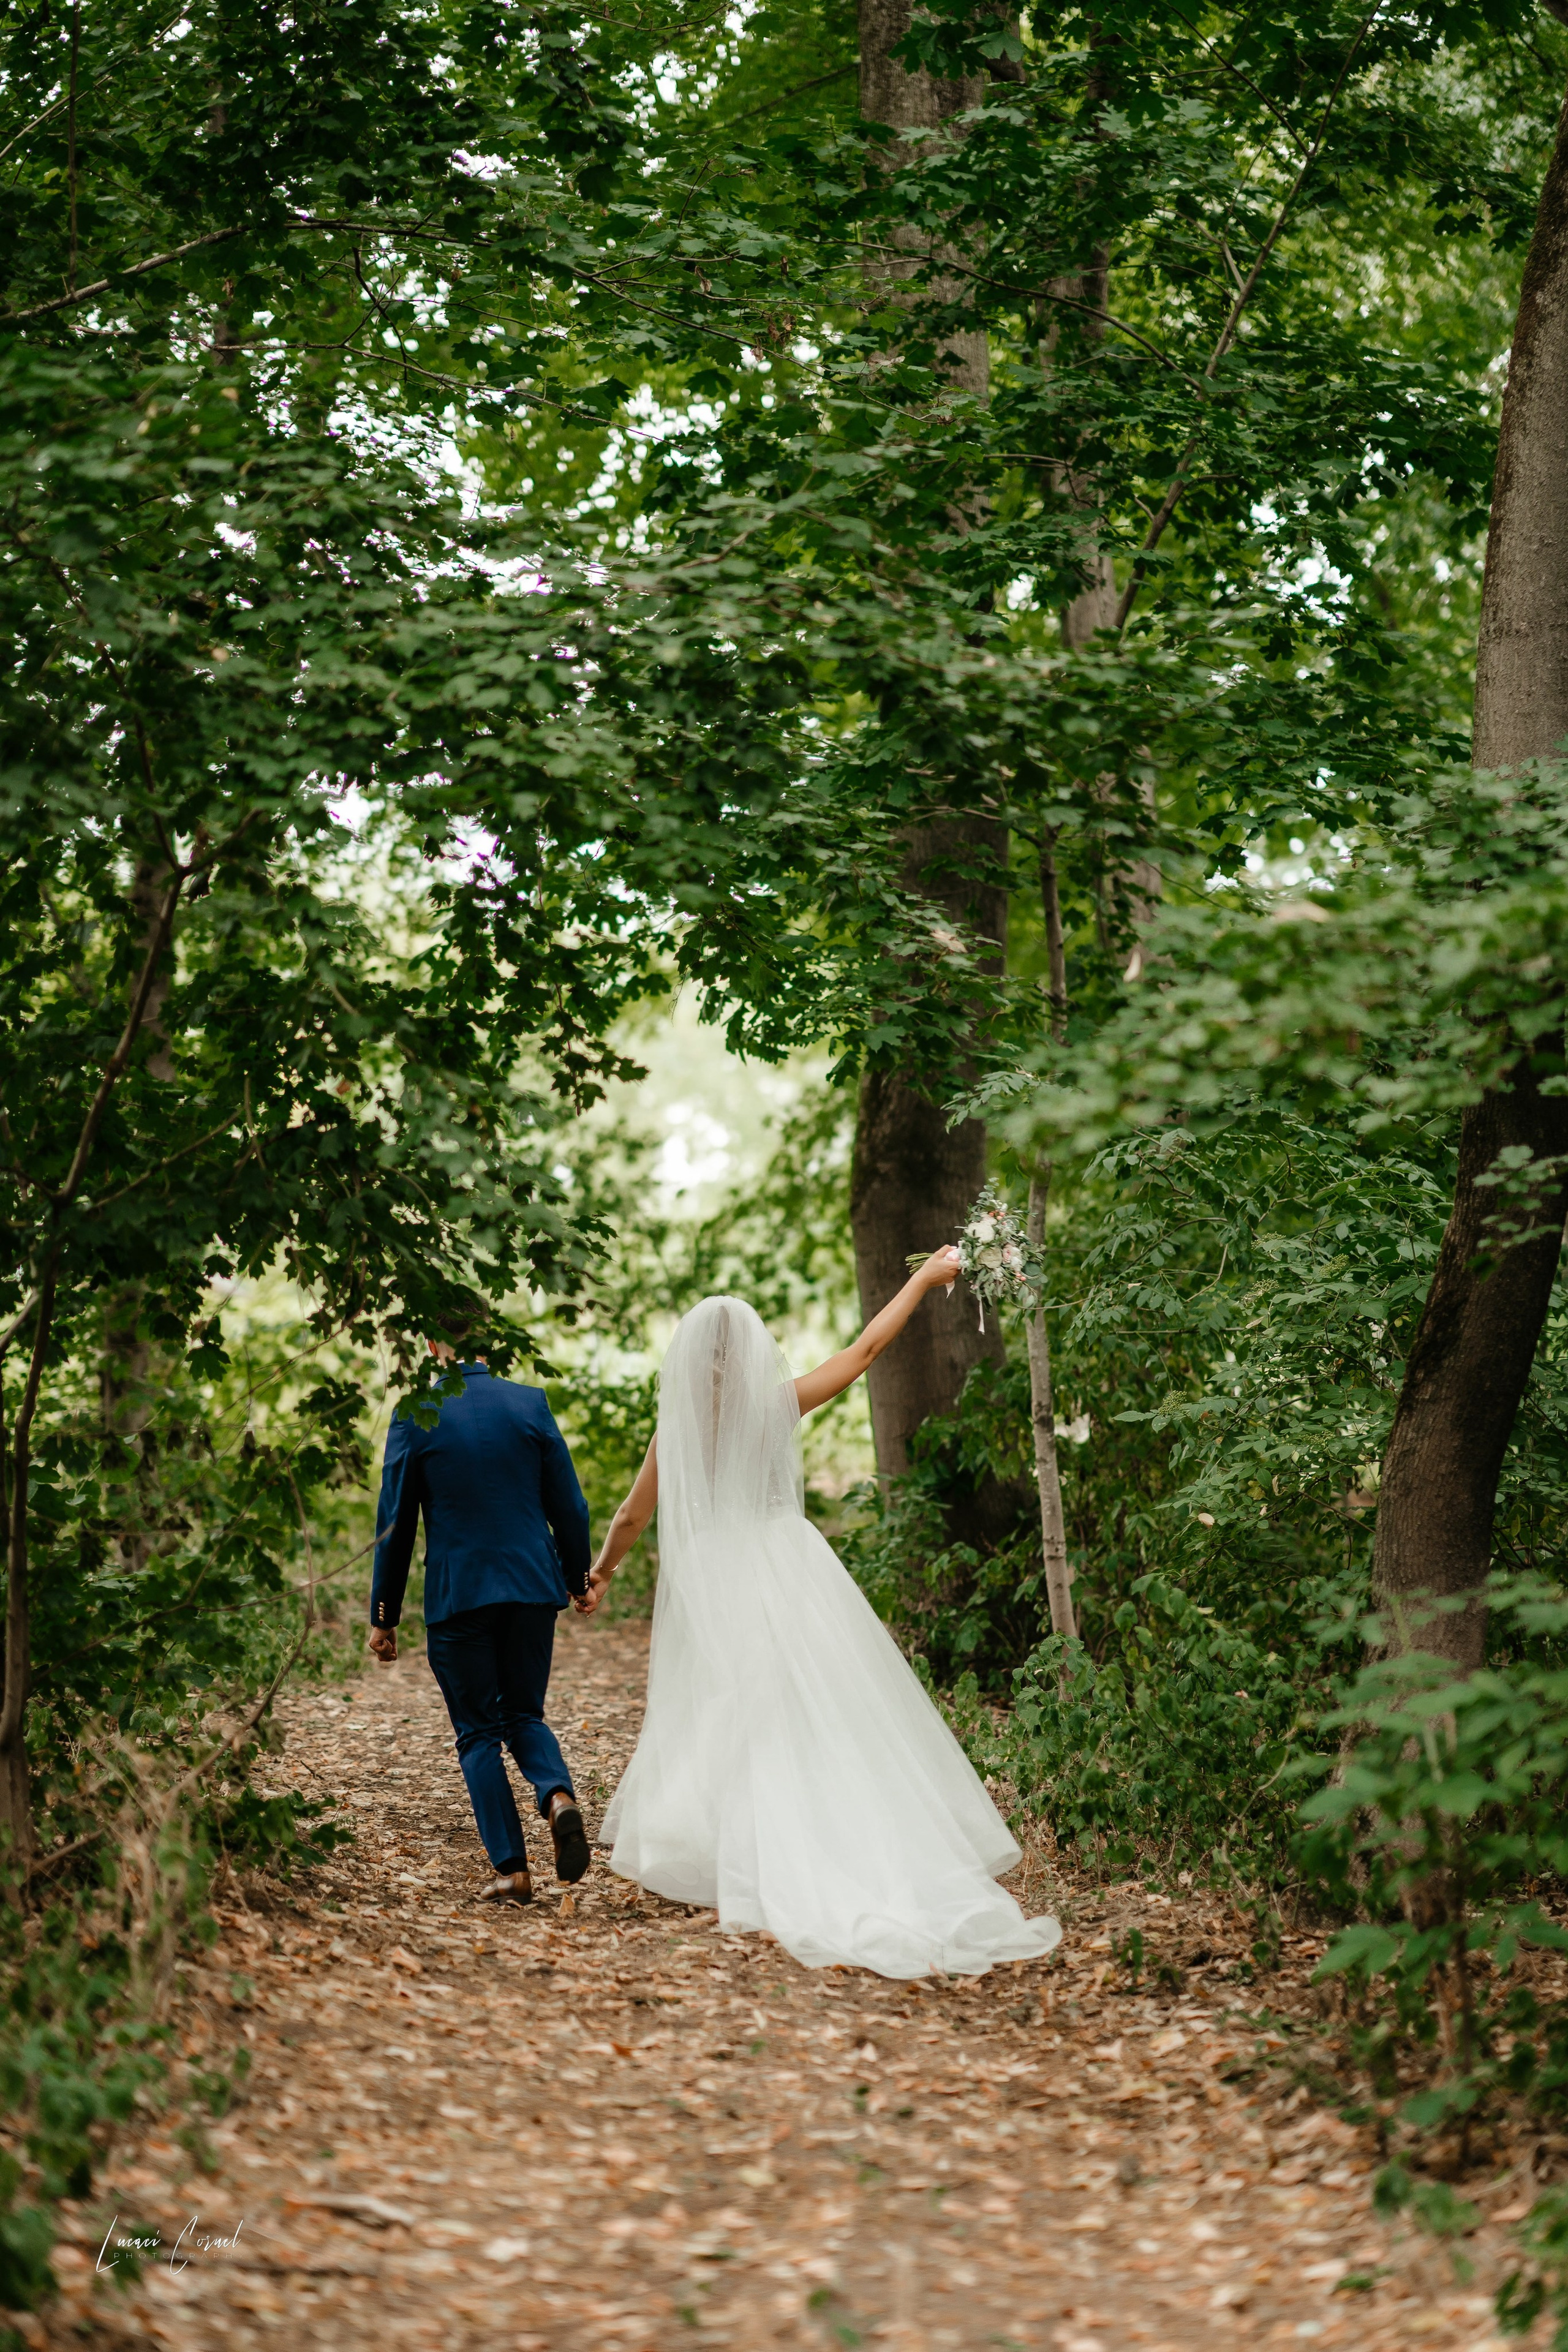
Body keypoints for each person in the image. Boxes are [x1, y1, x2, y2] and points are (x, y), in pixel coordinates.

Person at [578, 1251, 1062, 1978]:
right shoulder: (777, 1404)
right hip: (785, 1565)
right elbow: (866, 1350)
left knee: (730, 1710)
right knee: (807, 1708)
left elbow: (630, 1517)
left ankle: (740, 1850)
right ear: (748, 1355)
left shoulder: (673, 1434)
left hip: (716, 1576)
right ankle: (821, 1841)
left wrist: (600, 1576)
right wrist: (925, 1279)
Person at [369, 1317, 592, 1905]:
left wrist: (384, 1614)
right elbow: (570, 1504)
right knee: (525, 1713)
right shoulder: (530, 1404)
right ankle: (557, 1798)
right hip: (529, 1586)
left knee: (477, 1735)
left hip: (459, 1593)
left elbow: (395, 1524)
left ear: (430, 1341)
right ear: (492, 1341)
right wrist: (577, 1579)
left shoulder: (417, 1412)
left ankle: (514, 1870)